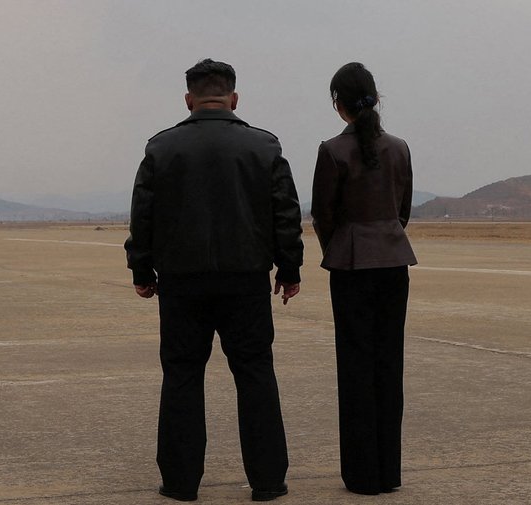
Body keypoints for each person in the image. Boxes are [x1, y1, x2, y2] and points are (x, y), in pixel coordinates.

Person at [126, 58, 304, 503]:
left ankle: (180, 482)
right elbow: (286, 214)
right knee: (255, 374)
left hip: (183, 284)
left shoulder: (161, 149)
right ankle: (267, 481)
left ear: (189, 100)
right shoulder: (264, 147)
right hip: (245, 281)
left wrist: (141, 270)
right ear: (233, 98)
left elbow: (142, 215)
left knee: (182, 376)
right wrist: (289, 268)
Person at [310, 62, 416, 497]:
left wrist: (341, 247)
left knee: (355, 368)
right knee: (389, 366)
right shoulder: (400, 148)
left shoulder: (332, 150)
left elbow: (323, 214)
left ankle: (362, 475)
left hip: (352, 266)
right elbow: (403, 208)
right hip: (393, 261)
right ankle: (389, 471)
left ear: (339, 104)